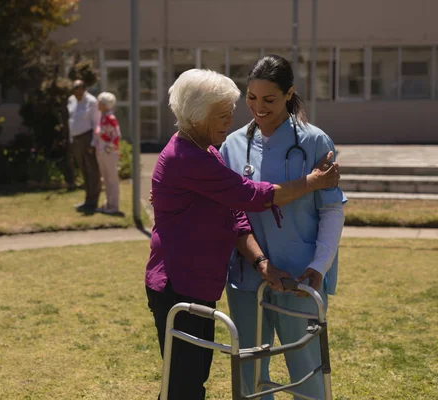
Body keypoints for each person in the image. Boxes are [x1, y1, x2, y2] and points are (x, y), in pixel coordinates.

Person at [145, 68, 341, 400]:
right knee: (184, 384)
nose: (229, 122)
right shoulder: (187, 157)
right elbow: (251, 195)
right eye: (221, 116)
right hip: (179, 283)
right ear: (197, 115)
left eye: (229, 114)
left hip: (199, 283)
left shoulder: (206, 150)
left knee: (192, 378)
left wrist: (261, 261)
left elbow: (235, 214)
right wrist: (311, 182)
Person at [221, 55, 348, 399]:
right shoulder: (232, 146)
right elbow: (232, 215)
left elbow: (333, 209)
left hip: (300, 278)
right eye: (251, 97)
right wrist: (260, 262)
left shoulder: (315, 142)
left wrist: (318, 267)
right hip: (248, 277)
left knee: (306, 369)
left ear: (290, 93)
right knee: (249, 370)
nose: (258, 107)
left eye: (269, 99)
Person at [68, 79, 101, 211]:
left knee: (92, 171)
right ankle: (87, 199)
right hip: (76, 140)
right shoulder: (71, 100)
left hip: (87, 138)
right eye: (74, 88)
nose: (77, 91)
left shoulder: (92, 101)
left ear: (83, 88)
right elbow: (71, 119)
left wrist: (93, 143)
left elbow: (96, 123)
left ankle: (93, 201)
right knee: (84, 171)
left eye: (78, 88)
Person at [95, 91, 121, 214]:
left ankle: (114, 206)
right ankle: (108, 204)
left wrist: (107, 149)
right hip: (102, 153)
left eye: (100, 102)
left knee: (112, 180)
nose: (98, 104)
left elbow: (116, 136)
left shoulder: (110, 118)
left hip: (109, 154)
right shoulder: (103, 118)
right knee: (105, 179)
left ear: (105, 104)